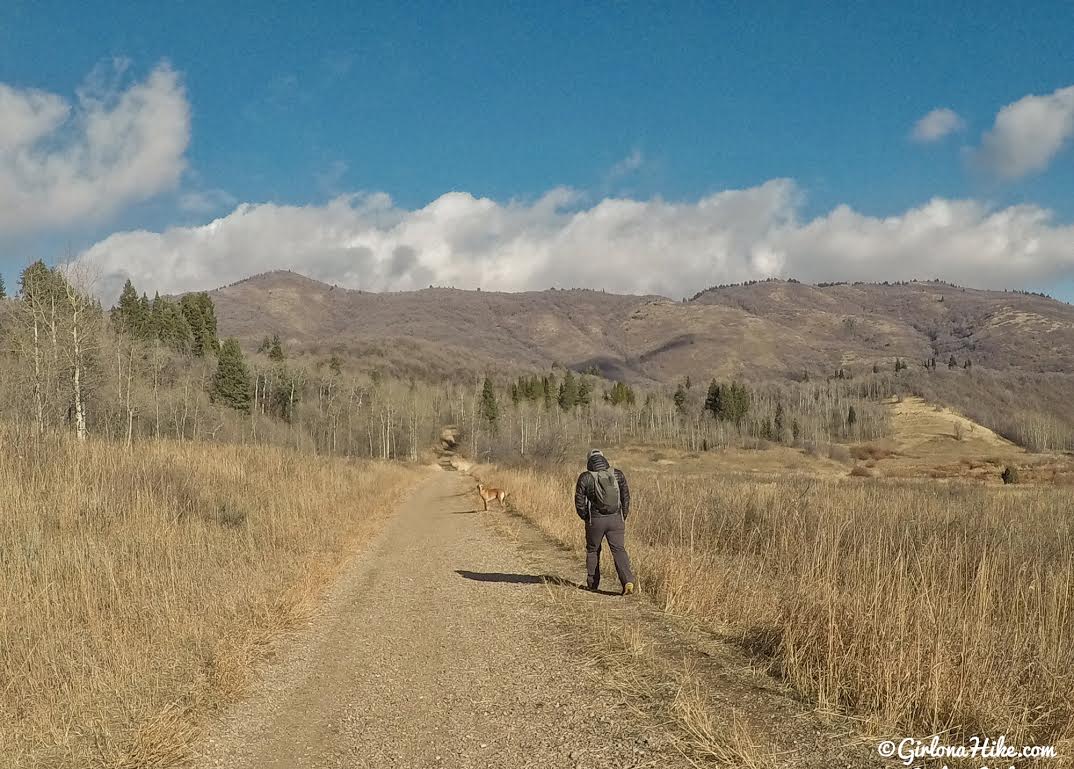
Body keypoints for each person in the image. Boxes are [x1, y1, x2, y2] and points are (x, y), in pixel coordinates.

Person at [574, 449, 636, 595]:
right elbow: (626, 497)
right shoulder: (617, 474)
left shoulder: (585, 477)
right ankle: (628, 581)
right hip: (616, 519)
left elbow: (579, 501)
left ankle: (592, 584)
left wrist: (586, 517)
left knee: (593, 550)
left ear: (589, 461)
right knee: (619, 550)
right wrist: (622, 516)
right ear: (604, 460)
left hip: (595, 520)